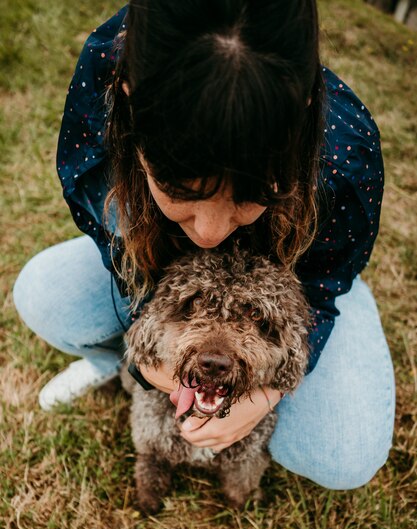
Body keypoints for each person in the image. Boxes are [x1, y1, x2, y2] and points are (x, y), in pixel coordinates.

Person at [13, 0, 395, 490]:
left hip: (303, 276)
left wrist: (263, 397)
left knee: (340, 457)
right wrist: (152, 360)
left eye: (252, 196)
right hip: (160, 280)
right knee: (44, 295)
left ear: (301, 118)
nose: (211, 232)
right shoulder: (106, 84)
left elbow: (318, 288)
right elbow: (117, 248)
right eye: (180, 191)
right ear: (129, 104)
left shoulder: (346, 155)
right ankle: (115, 364)